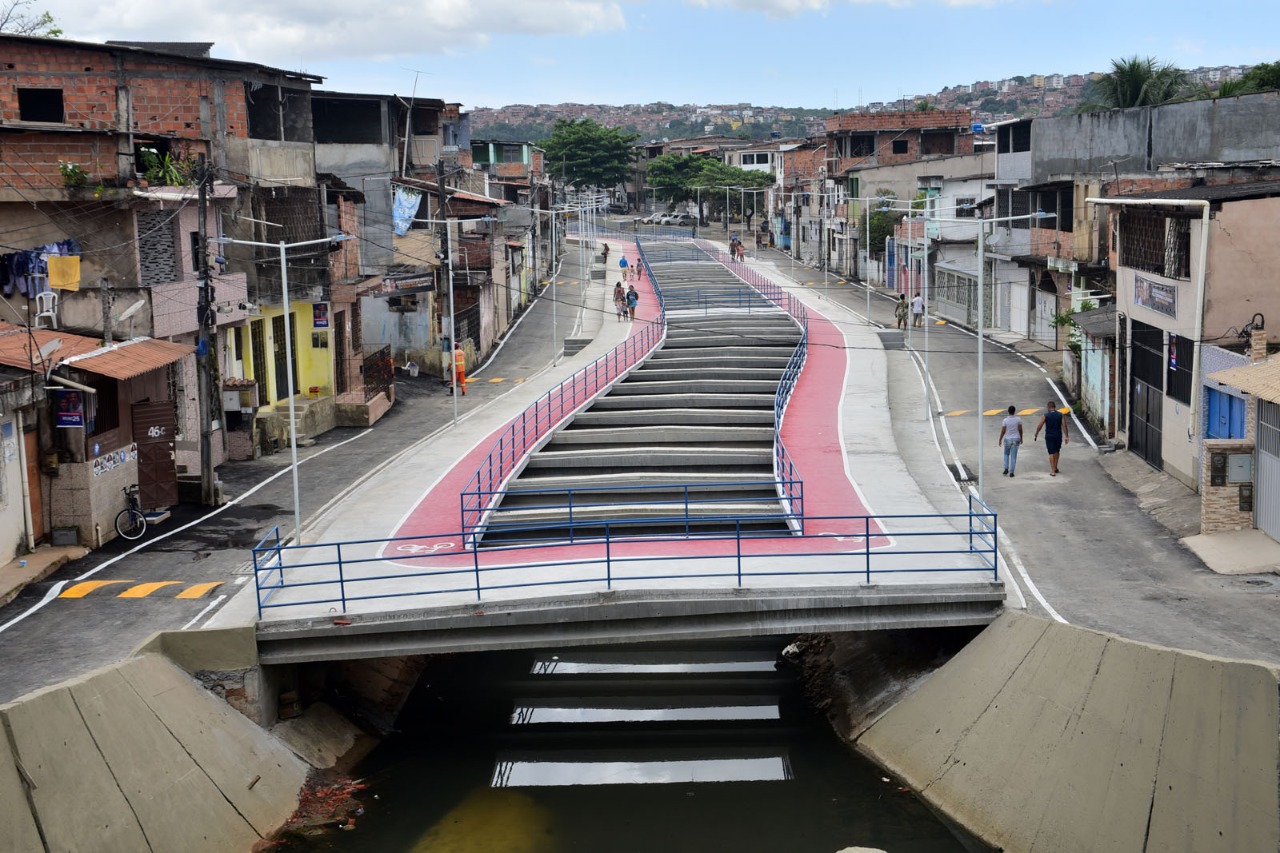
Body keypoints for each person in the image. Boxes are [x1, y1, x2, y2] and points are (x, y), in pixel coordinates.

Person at [1034, 401, 1069, 476]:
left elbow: (1040, 426)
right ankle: (1056, 467)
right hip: (1058, 436)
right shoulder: (1061, 415)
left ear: (1049, 407)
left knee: (1051, 453)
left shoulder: (1045, 415)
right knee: (1057, 451)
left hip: (1049, 436)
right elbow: (1064, 426)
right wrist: (1066, 436)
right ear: (1054, 407)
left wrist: (1036, 433)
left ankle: (1053, 471)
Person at [998, 405, 1023, 478]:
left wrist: (1000, 439)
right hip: (1016, 439)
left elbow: (1003, 431)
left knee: (1006, 454)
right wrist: (1021, 438)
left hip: (1008, 439)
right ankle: (1012, 472)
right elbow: (1020, 429)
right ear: (1014, 411)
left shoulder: (1005, 420)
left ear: (1008, 411)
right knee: (1013, 456)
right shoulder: (1018, 419)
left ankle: (1006, 468)